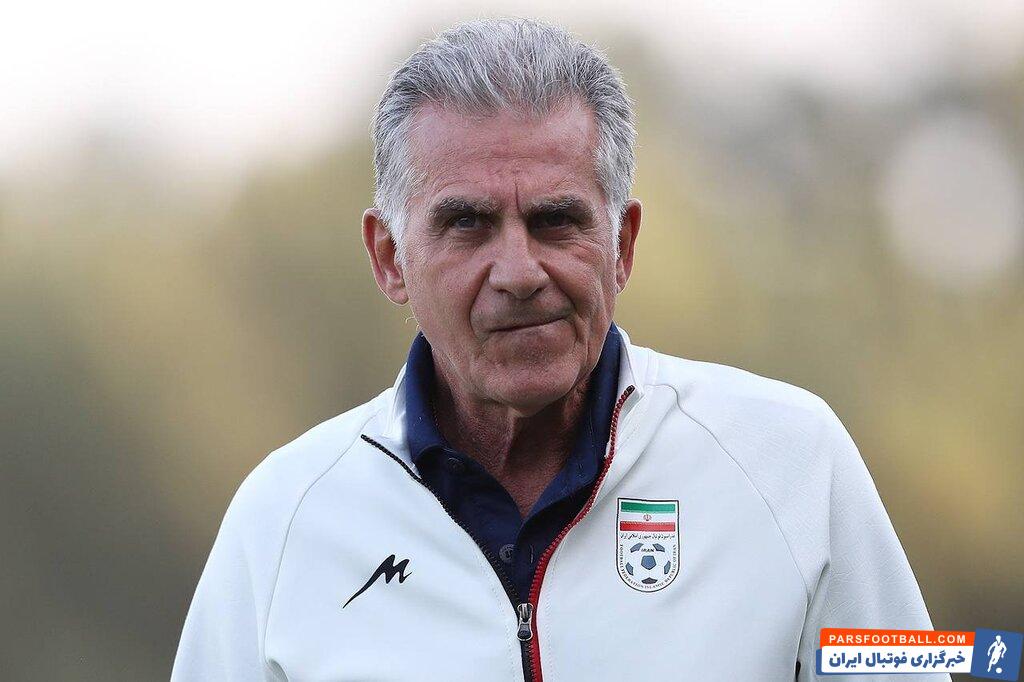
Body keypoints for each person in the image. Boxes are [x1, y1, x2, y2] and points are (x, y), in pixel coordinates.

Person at [171, 17, 948, 681]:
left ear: (622, 245)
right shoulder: (282, 520)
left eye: (555, 221)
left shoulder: (792, 463)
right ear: (389, 258)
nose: (518, 273)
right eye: (467, 224)